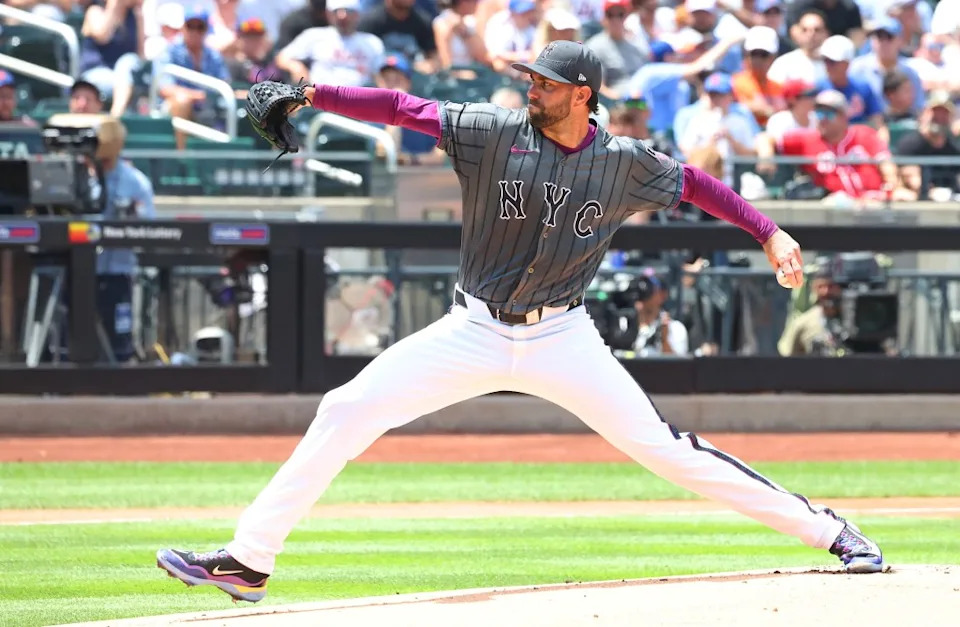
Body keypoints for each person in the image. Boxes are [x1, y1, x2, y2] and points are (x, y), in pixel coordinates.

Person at [157, 40, 885, 601]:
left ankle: (833, 531)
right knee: (346, 407)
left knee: (669, 450)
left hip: (563, 335)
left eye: (542, 81)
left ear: (582, 94)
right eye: (529, 79)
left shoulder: (624, 161)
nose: (528, 87)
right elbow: (401, 108)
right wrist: (313, 93)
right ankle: (251, 560)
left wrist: (769, 231)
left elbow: (695, 183)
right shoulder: (493, 131)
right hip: (471, 327)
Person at [756, 89, 911, 202]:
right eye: (818, 114)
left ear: (844, 117)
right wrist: (766, 157)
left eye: (828, 114)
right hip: (833, 213)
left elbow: (885, 163)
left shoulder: (863, 134)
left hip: (872, 206)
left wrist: (894, 187)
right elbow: (765, 138)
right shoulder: (807, 140)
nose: (822, 119)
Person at [152, 8, 231, 150]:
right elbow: (165, 88)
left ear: (206, 30)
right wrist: (199, 96)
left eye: (200, 27)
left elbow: (225, 84)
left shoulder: (214, 56)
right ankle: (181, 159)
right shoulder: (169, 51)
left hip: (209, 110)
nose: (195, 32)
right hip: (170, 111)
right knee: (181, 101)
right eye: (190, 26)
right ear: (183, 28)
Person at [276, 0, 384, 87]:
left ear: (357, 14)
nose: (342, 16)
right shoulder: (314, 35)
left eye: (348, 11)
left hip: (360, 102)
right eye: (337, 11)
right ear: (328, 14)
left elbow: (381, 75)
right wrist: (297, 67)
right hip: (321, 102)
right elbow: (282, 57)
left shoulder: (372, 42)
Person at [79, 0, 145, 117]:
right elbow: (103, 36)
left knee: (127, 62)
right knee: (123, 72)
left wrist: (140, 18)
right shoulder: (94, 11)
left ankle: (115, 116)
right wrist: (113, 5)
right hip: (96, 73)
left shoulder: (134, 16)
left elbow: (141, 55)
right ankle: (116, 116)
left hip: (124, 75)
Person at [895, 91, 960, 199]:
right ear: (925, 113)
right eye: (935, 112)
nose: (939, 117)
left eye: (944, 113)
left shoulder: (955, 147)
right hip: (921, 205)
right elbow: (910, 179)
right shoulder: (910, 144)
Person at [816, 35, 883, 127]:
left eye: (832, 62)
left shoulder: (862, 87)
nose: (827, 66)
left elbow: (877, 121)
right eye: (825, 61)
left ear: (847, 64)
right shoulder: (818, 88)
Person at [586, 0, 647, 99]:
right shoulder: (595, 46)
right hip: (618, 103)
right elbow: (598, 87)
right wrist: (625, 99)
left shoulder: (637, 43)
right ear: (604, 17)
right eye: (610, 15)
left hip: (643, 97)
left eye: (620, 14)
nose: (615, 19)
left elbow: (648, 73)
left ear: (626, 16)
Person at [732, 25, 784, 128]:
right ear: (747, 55)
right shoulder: (735, 83)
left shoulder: (779, 87)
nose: (758, 60)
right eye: (754, 54)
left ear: (773, 57)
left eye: (763, 55)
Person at [629, 273, 689, 357]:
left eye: (649, 287)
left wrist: (664, 339)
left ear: (663, 294)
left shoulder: (675, 328)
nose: (643, 290)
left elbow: (678, 366)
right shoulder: (623, 323)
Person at [432, 0, 488, 69]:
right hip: (455, 76)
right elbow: (446, 62)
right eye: (474, 1)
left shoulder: (472, 22)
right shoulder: (441, 23)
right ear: (463, 2)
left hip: (476, 72)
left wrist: (464, 32)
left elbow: (483, 56)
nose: (477, 3)